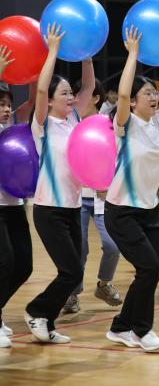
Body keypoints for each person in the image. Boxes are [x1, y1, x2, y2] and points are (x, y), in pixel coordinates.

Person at [102, 27, 159, 352]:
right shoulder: (125, 124)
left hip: (149, 209)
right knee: (149, 268)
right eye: (147, 93)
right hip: (121, 211)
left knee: (150, 271)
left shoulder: (158, 120)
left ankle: (121, 327)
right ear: (135, 100)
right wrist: (133, 55)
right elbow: (123, 94)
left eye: (155, 92)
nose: (154, 97)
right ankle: (142, 330)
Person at [24, 24, 95, 345]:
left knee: (74, 272)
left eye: (71, 93)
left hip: (72, 208)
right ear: (51, 101)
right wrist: (52, 50)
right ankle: (37, 311)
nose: (71, 97)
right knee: (71, 271)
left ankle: (47, 322)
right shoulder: (42, 125)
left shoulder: (74, 119)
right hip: (49, 209)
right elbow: (40, 91)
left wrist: (87, 54)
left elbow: (89, 85)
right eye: (64, 93)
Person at [63, 79, 122, 315]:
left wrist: (108, 184)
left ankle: (104, 284)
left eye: (81, 95)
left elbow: (117, 158)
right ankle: (72, 294)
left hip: (102, 198)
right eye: (74, 95)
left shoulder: (109, 125)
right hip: (76, 198)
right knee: (80, 248)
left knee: (112, 245)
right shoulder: (70, 124)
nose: (75, 99)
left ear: (96, 98)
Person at [0, 48, 34, 349]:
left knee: (24, 265)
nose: (6, 109)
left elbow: (33, 103)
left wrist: (37, 68)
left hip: (14, 206)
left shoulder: (13, 128)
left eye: (8, 104)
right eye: (1, 104)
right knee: (5, 261)